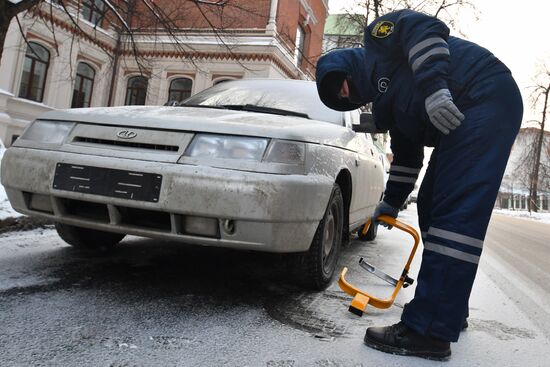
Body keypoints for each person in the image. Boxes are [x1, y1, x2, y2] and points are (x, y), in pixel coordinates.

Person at [315, 9, 523, 361]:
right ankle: (447, 309)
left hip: (483, 93)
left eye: (343, 86)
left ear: (346, 67)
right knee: (430, 203)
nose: (349, 96)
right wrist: (391, 203)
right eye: (344, 100)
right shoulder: (391, 107)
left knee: (454, 216)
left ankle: (427, 330)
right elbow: (408, 157)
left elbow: (424, 28)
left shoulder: (379, 41)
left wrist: (435, 89)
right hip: (464, 114)